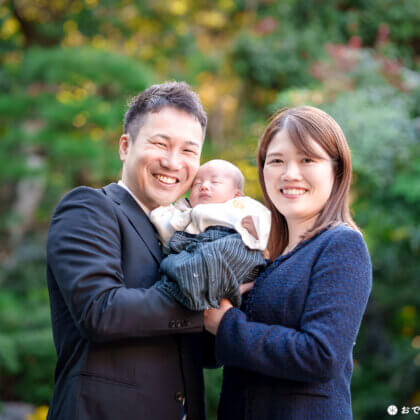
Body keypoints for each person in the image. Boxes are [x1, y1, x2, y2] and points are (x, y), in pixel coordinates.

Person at [46, 81, 211, 420]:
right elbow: (100, 311)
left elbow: (206, 352)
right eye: (160, 143)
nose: (172, 162)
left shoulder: (191, 231)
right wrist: (204, 306)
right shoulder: (89, 208)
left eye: (188, 151)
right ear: (125, 146)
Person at [204, 106, 373, 419]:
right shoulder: (263, 255)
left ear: (336, 170)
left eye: (307, 159)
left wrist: (226, 323)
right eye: (277, 161)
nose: (289, 173)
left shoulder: (341, 245)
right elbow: (220, 352)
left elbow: (321, 356)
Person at [150, 159, 271, 311]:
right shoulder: (186, 210)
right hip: (195, 247)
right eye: (197, 184)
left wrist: (255, 228)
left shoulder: (240, 205)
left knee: (224, 252)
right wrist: (159, 213)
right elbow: (168, 231)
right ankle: (191, 291)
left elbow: (264, 220)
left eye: (215, 182)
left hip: (231, 242)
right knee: (173, 261)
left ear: (236, 194)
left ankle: (192, 290)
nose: (204, 186)